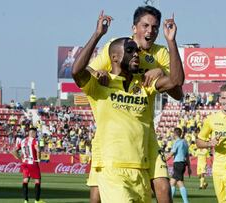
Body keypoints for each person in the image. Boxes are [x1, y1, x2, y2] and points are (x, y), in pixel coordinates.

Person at [72, 8, 183, 202]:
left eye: (155, 27)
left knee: (164, 188)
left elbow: (177, 87)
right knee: (97, 194)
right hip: (110, 148)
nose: (150, 31)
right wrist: (98, 68)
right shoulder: (115, 49)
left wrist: (168, 51)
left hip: (144, 139)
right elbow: (82, 71)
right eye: (145, 26)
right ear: (134, 28)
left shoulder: (157, 60)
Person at [11, 127, 45, 203]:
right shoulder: (34, 140)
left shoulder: (23, 141)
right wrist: (39, 158)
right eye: (35, 133)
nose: (36, 135)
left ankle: (26, 200)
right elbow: (38, 150)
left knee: (25, 180)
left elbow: (13, 151)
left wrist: (20, 158)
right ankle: (37, 200)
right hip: (32, 162)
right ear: (32, 133)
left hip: (24, 163)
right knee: (37, 181)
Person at [166, 127, 191, 203]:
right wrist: (189, 167)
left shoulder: (177, 142)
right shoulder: (185, 142)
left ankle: (185, 202)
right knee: (174, 182)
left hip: (178, 163)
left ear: (174, 134)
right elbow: (187, 156)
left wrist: (164, 159)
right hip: (183, 164)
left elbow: (172, 152)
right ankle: (171, 200)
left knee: (177, 182)